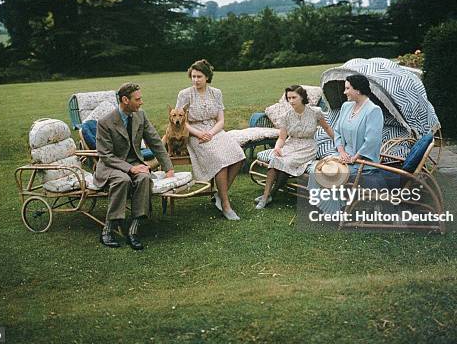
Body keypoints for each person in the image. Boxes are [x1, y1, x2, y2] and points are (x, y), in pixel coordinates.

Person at [94, 82, 174, 250]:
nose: (141, 102)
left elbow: (155, 142)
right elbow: (106, 155)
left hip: (134, 164)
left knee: (144, 178)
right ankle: (107, 230)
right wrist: (130, 168)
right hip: (110, 166)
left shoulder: (140, 116)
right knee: (122, 180)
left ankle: (134, 230)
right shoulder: (105, 123)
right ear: (125, 100)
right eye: (138, 99)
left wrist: (168, 168)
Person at [176, 59, 246, 221]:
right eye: (193, 76)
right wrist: (199, 134)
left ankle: (219, 196)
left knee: (238, 155)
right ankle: (226, 206)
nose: (195, 80)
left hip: (215, 130)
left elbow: (221, 120)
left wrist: (211, 133)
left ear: (207, 77)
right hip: (194, 133)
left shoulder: (216, 93)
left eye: (199, 76)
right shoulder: (184, 94)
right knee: (219, 160)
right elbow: (181, 121)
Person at [255, 85, 334, 209]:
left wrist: (339, 143)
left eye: (294, 97)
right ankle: (266, 196)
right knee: (275, 159)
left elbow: (328, 128)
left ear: (302, 97)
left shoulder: (315, 112)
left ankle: (270, 195)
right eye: (288, 98)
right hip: (290, 144)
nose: (291, 101)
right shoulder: (286, 115)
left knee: (287, 162)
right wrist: (277, 148)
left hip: (307, 147)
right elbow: (282, 138)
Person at [334, 74, 384, 175]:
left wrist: (354, 158)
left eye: (347, 88)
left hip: (362, 163)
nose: (344, 92)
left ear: (358, 90)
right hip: (342, 157)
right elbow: (337, 132)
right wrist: (342, 153)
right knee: (317, 169)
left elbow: (372, 141)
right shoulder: (346, 106)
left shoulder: (373, 110)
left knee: (329, 176)